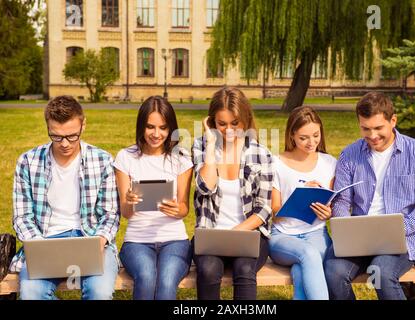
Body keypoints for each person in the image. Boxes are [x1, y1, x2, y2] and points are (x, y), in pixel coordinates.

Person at [324, 92, 415, 300]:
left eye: (378, 128)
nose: (373, 135)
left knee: (382, 273)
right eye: (365, 129)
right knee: (334, 272)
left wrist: (400, 228)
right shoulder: (349, 155)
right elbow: (342, 200)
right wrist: (344, 225)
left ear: (392, 120)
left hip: (399, 239)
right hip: (357, 238)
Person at [10, 95, 120, 300]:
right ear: (48, 128)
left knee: (100, 292)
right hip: (45, 239)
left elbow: (110, 213)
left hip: (91, 238)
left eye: (72, 136)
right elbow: (22, 217)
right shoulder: (27, 161)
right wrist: (38, 246)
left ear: (83, 125)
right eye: (56, 137)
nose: (65, 144)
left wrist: (100, 240)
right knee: (32, 294)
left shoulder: (102, 160)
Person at [191, 86, 273, 300]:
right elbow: (204, 187)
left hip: (249, 234)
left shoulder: (260, 153)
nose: (228, 130)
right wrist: (210, 145)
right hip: (211, 233)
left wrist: (235, 234)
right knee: (208, 270)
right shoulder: (201, 146)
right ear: (211, 123)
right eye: (221, 124)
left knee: (245, 269)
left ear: (245, 119)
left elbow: (264, 209)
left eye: (235, 123)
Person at [114, 96, 193, 300]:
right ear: (141, 126)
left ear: (171, 129)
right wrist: (130, 202)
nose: (156, 134)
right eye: (150, 127)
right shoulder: (126, 157)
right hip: (137, 242)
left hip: (174, 240)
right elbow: (125, 213)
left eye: (163, 128)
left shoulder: (181, 158)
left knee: (166, 281)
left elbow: (184, 209)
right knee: (147, 276)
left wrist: (178, 209)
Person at [269, 106, 335, 300]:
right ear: (292, 135)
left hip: (317, 232)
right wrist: (299, 197)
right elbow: (274, 212)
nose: (311, 142)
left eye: (316, 135)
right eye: (303, 138)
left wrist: (327, 213)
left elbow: (331, 203)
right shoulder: (276, 163)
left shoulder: (329, 163)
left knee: (300, 270)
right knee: (309, 254)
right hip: (282, 236)